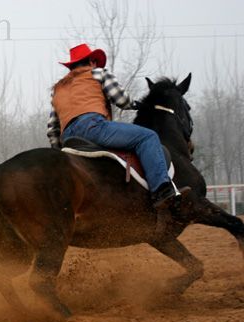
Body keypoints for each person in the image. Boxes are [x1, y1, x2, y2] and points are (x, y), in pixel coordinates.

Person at [46, 43, 189, 209]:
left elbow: (52, 129)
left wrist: (60, 151)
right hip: (93, 128)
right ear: (92, 61)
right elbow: (121, 99)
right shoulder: (98, 73)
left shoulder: (57, 89)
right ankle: (162, 190)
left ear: (71, 67)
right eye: (95, 62)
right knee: (148, 137)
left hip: (68, 137)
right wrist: (135, 104)